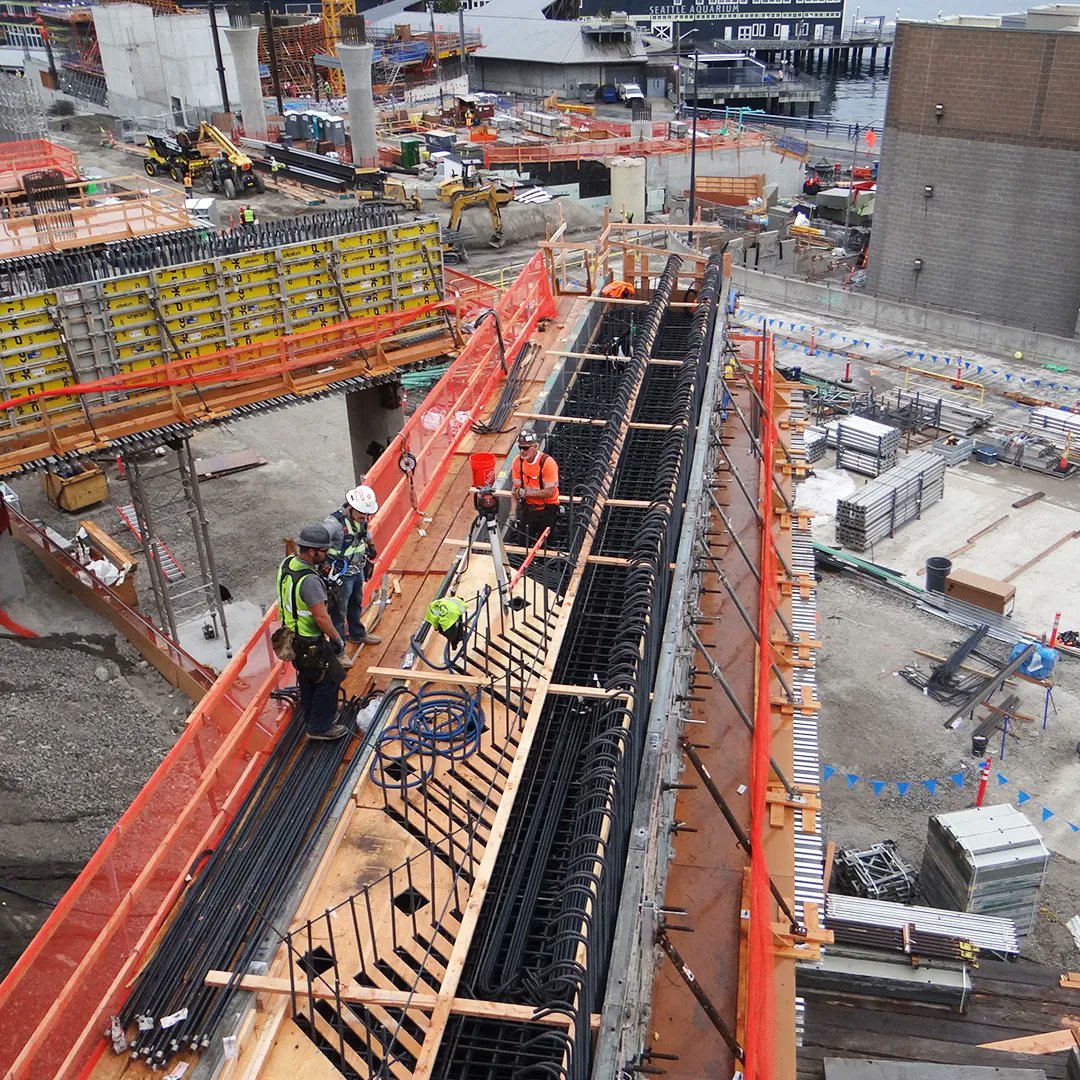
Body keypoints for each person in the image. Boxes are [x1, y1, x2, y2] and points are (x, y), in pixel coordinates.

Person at [277, 524, 350, 741]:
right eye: (324, 551)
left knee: (308, 678)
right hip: (309, 640)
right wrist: (337, 639)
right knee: (331, 678)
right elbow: (321, 617)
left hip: (290, 636)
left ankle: (311, 717)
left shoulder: (288, 563)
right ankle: (319, 728)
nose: (326, 554)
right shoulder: (309, 581)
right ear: (312, 551)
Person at [323, 484, 382, 656]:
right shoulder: (333, 524)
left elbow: (365, 532)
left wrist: (371, 545)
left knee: (355, 604)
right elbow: (318, 544)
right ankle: (338, 652)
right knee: (338, 614)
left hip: (357, 570)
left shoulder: (362, 519)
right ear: (350, 507)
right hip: (341, 576)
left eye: (366, 515)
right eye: (361, 514)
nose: (364, 518)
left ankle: (357, 634)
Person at [511, 430, 559, 547]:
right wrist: (512, 512)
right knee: (523, 543)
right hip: (529, 508)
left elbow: (549, 492)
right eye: (520, 447)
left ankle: (543, 564)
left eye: (526, 448)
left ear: (535, 446)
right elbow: (515, 489)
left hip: (547, 509)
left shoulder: (547, 463)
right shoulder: (518, 462)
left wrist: (526, 493)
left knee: (545, 546)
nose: (522, 451)